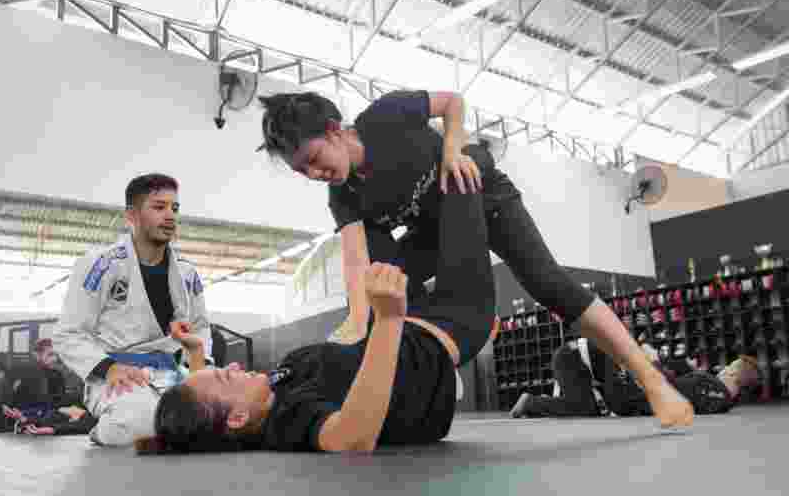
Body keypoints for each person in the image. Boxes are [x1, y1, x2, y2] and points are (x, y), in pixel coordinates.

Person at [256, 89, 693, 429]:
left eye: (313, 159)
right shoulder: (343, 195)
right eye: (303, 172)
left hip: (483, 194)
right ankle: (435, 351)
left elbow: (451, 103)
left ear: (334, 130)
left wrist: (451, 149)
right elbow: (356, 260)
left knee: (548, 283)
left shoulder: (385, 116)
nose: (315, 174)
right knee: (383, 277)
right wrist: (356, 319)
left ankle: (650, 381)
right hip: (437, 232)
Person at [134, 169, 497, 454]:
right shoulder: (291, 418)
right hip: (446, 329)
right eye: (226, 377)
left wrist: (197, 355)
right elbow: (352, 439)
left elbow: (207, 397)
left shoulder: (266, 394)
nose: (230, 368)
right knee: (463, 178)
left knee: (367, 225)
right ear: (239, 417)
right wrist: (388, 320)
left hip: (401, 316)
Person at [52, 173, 216, 447]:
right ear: (132, 215)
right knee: (139, 421)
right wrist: (110, 367)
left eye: (174, 208)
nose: (170, 216)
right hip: (117, 377)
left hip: (175, 374)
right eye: (158, 207)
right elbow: (69, 334)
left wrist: (201, 370)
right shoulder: (101, 265)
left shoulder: (187, 273)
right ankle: (102, 427)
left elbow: (200, 329)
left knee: (221, 417)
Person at [511, 344, 763, 418]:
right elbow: (678, 391)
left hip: (588, 360)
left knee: (587, 408)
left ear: (733, 374)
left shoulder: (717, 391)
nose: (723, 369)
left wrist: (655, 364)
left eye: (728, 367)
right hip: (578, 357)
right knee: (618, 402)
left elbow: (678, 391)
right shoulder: (718, 394)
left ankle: (532, 404)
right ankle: (531, 403)